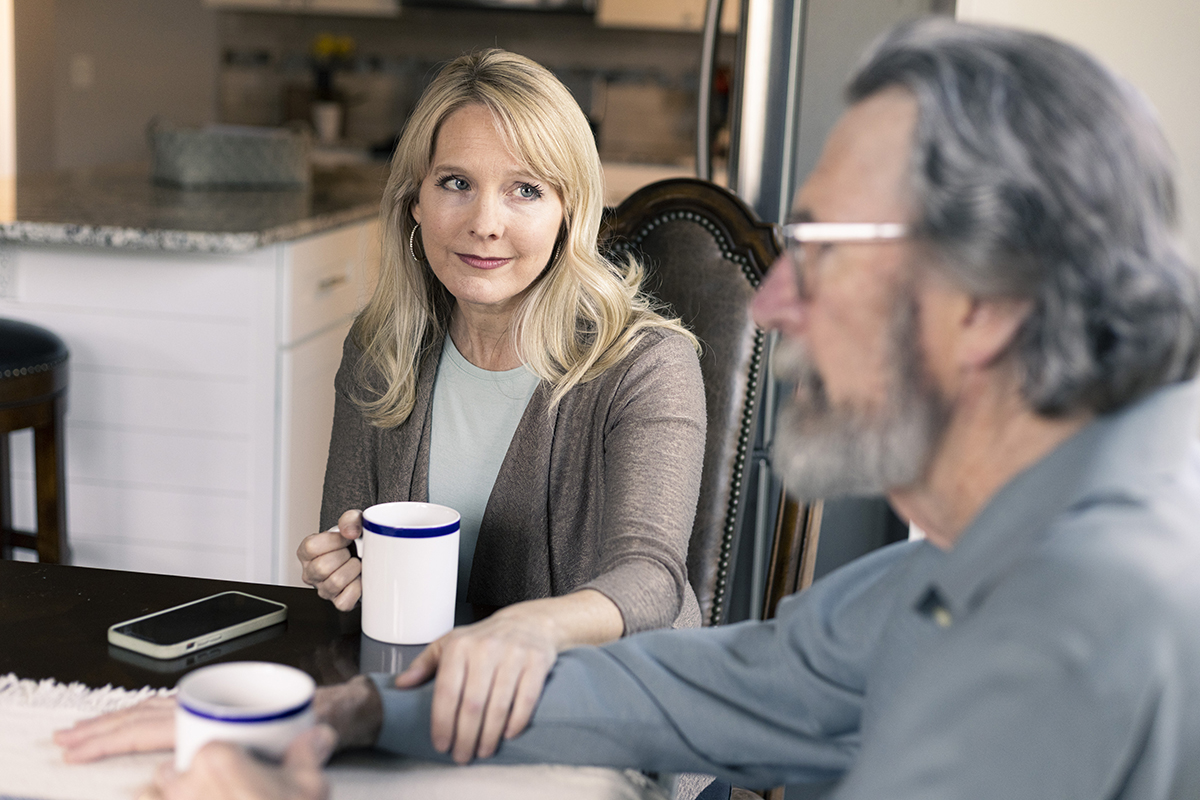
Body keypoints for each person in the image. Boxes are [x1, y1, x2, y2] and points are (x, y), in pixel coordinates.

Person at [58, 16, 1200, 800]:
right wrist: (348, 720)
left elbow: (656, 597)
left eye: (825, 250)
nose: (781, 300)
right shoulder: (961, 567)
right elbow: (715, 679)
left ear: (988, 299)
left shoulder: (1091, 612)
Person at [295, 47, 706, 762]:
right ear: (415, 201)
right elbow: (352, 549)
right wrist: (343, 569)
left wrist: (525, 631)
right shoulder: (381, 348)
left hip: (611, 719)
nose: (485, 223)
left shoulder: (647, 365)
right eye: (456, 182)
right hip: (435, 707)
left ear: (568, 210)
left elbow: (651, 580)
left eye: (525, 190)